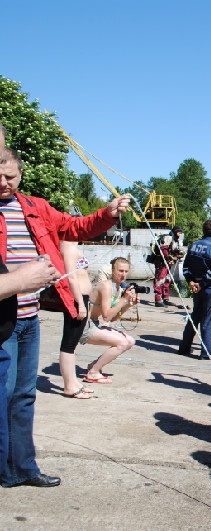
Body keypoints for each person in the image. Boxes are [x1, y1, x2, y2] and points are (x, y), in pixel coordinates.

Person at [0, 146, 130, 488]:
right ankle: (5, 468)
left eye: (10, 176)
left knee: (24, 394)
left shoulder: (33, 206)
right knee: (2, 395)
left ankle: (24, 467)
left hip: (28, 319)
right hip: (2, 320)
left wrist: (108, 213)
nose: (3, 182)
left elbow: (75, 226)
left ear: (20, 174)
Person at [0, 256, 60, 470]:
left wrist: (30, 269)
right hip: (9, 327)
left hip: (28, 316)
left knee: (24, 396)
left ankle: (20, 469)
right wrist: (23, 278)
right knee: (6, 398)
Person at [82, 257, 138, 383]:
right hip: (84, 325)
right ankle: (93, 372)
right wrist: (123, 300)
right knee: (122, 343)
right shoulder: (107, 286)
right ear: (112, 270)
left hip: (94, 324)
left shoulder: (117, 288)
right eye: (120, 271)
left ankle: (94, 365)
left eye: (125, 271)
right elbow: (106, 316)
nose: (123, 275)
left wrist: (128, 305)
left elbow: (113, 318)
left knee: (130, 341)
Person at [178, 220, 211, 360]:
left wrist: (191, 282)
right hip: (209, 287)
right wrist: (202, 284)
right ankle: (206, 352)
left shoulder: (193, 246)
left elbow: (186, 268)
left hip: (196, 287)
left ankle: (184, 347)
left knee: (195, 317)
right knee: (209, 320)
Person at [57, 241, 94, 398]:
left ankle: (73, 381)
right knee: (69, 343)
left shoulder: (71, 246)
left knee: (72, 344)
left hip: (82, 298)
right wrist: (80, 303)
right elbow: (71, 278)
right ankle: (69, 385)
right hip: (76, 299)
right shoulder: (68, 247)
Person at [152, 226, 184, 307]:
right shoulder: (168, 237)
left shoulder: (174, 240)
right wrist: (168, 258)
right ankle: (158, 299)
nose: (180, 235)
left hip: (168, 264)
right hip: (162, 263)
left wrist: (178, 254)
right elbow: (164, 249)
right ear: (175, 232)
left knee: (167, 280)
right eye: (179, 233)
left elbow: (172, 250)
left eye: (181, 233)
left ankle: (165, 298)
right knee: (160, 280)